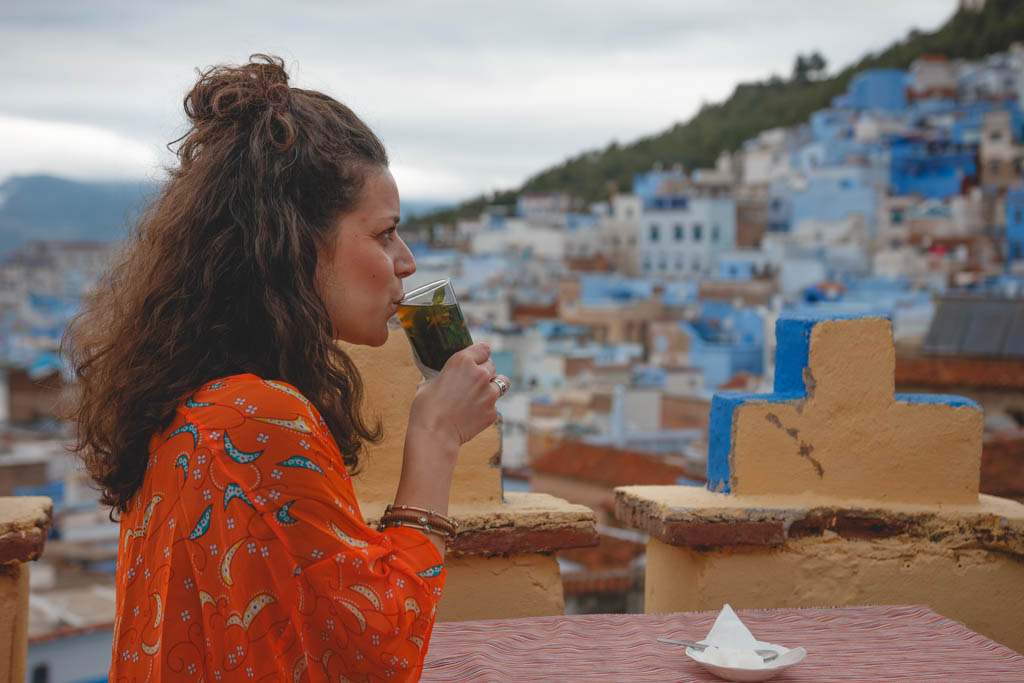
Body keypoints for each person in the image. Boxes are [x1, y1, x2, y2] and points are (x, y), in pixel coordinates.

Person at [62, 54, 509, 682]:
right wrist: (435, 437)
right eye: (383, 234)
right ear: (294, 242)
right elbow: (380, 652)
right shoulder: (258, 418)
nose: (405, 262)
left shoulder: (200, 401)